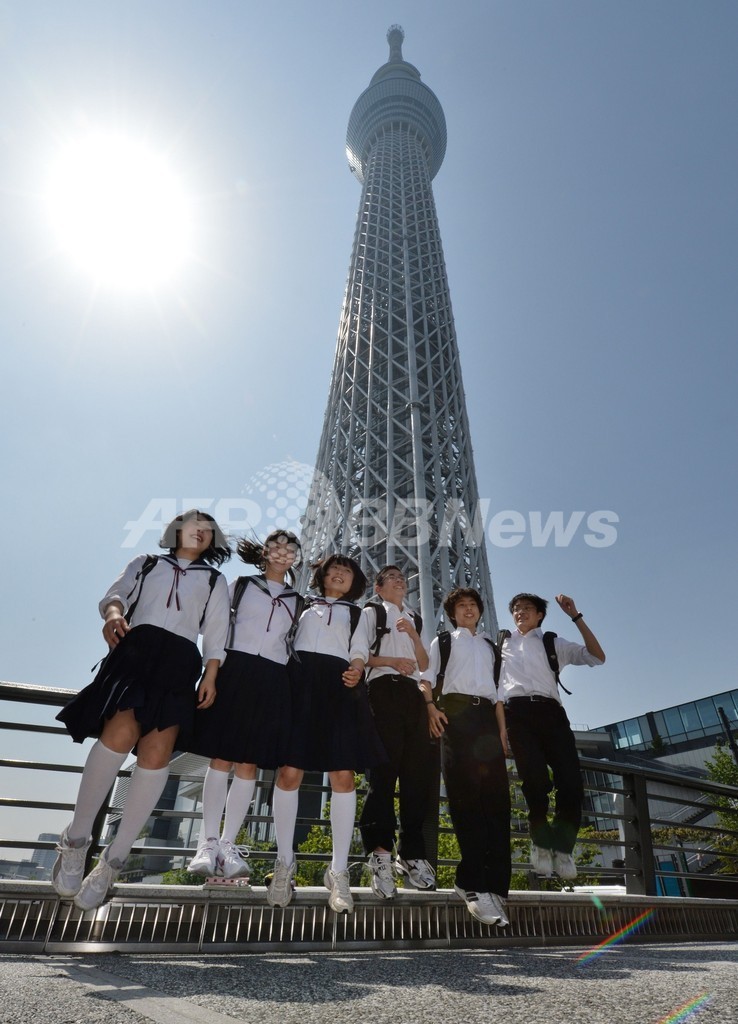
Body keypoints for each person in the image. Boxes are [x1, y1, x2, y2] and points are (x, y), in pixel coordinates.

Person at [53, 510, 231, 911]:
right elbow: (116, 594)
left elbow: (218, 630)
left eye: (208, 528)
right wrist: (114, 614)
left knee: (157, 755)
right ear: (175, 531)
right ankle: (76, 839)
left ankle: (114, 860)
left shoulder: (215, 580)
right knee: (118, 735)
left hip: (181, 661)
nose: (200, 531)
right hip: (139, 648)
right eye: (192, 524)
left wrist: (211, 674)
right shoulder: (147, 562)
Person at [267, 555, 385, 914]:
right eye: (333, 569)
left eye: (347, 571)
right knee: (289, 772)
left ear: (356, 583)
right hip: (300, 683)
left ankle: (337, 870)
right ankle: (285, 864)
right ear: (321, 576)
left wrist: (357, 668)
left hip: (339, 685)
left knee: (343, 775)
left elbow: (361, 647)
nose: (339, 574)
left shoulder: (358, 613)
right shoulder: (303, 604)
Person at [186, 530, 303, 880]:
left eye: (290, 549)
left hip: (272, 679)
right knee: (222, 756)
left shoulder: (300, 601)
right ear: (265, 552)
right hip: (235, 668)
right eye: (277, 547)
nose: (283, 553)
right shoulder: (239, 584)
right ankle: (206, 842)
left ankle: (227, 845)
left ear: (296, 558)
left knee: (249, 762)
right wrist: (211, 673)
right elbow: (218, 629)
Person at [421, 587, 511, 927]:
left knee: (497, 803)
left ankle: (496, 886)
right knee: (466, 802)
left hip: (488, 720)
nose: (468, 609)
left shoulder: (491, 646)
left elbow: (499, 693)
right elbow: (426, 680)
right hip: (455, 717)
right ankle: (472, 885)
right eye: (462, 606)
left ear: (480, 611)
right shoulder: (443, 642)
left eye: (473, 605)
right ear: (453, 613)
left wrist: (502, 731)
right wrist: (430, 707)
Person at [499, 592, 605, 881]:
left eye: (527, 609)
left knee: (571, 782)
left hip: (552, 714)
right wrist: (500, 731)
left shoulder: (552, 642)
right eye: (516, 609)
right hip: (516, 715)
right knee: (535, 782)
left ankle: (563, 847)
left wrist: (576, 616)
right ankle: (540, 842)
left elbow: (598, 656)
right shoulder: (500, 645)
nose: (520, 612)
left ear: (539, 615)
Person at [359, 565, 435, 899]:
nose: (400, 580)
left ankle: (412, 853)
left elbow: (424, 664)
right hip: (381, 690)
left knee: (416, 775)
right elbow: (359, 655)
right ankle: (380, 854)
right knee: (384, 774)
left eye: (402, 577)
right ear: (378, 587)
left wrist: (415, 636)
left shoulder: (414, 617)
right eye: (391, 577)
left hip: (411, 693)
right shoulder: (371, 612)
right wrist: (390, 660)